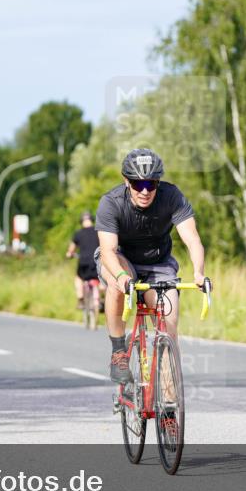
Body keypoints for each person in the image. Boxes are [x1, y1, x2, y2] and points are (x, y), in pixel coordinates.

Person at [94, 148, 210, 385]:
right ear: (127, 181)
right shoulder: (111, 202)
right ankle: (118, 352)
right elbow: (108, 251)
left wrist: (198, 272)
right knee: (119, 282)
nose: (145, 191)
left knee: (169, 327)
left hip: (158, 264)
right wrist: (121, 277)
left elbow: (192, 239)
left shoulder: (171, 196)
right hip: (120, 259)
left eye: (151, 184)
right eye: (138, 184)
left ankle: (168, 407)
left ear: (158, 182)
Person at [66, 211, 102, 311]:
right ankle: (102, 299)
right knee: (102, 279)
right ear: (92, 220)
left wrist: (69, 254)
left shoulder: (78, 234)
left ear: (81, 221)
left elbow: (71, 250)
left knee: (78, 278)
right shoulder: (98, 231)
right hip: (97, 262)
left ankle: (81, 300)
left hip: (84, 263)